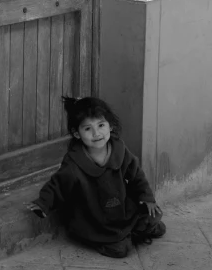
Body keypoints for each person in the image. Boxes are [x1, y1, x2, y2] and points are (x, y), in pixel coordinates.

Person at [28, 95, 166, 258]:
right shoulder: (74, 163)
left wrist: (147, 198)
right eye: (88, 129)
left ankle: (131, 231)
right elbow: (57, 184)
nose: (96, 133)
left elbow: (137, 176)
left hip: (121, 208)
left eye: (101, 125)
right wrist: (43, 203)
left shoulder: (120, 151)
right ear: (77, 134)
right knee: (120, 251)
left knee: (153, 214)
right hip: (95, 217)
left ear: (110, 126)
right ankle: (110, 237)